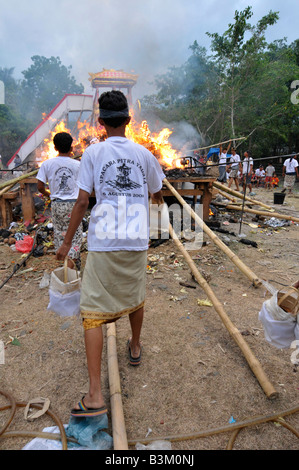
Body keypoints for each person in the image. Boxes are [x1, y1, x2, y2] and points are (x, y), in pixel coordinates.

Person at [56, 90, 165, 417]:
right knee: (136, 294)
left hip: (103, 240)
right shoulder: (144, 155)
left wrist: (65, 243)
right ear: (129, 121)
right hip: (134, 239)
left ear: (100, 121)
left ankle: (94, 395)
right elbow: (157, 191)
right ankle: (134, 346)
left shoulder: (92, 153)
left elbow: (81, 203)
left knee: (92, 311)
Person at [36, 132, 82, 269]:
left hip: (57, 204)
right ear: (71, 147)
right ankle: (69, 270)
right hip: (74, 204)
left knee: (61, 235)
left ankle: (67, 267)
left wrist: (49, 194)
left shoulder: (47, 164)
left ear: (55, 148)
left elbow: (40, 186)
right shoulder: (78, 165)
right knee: (75, 235)